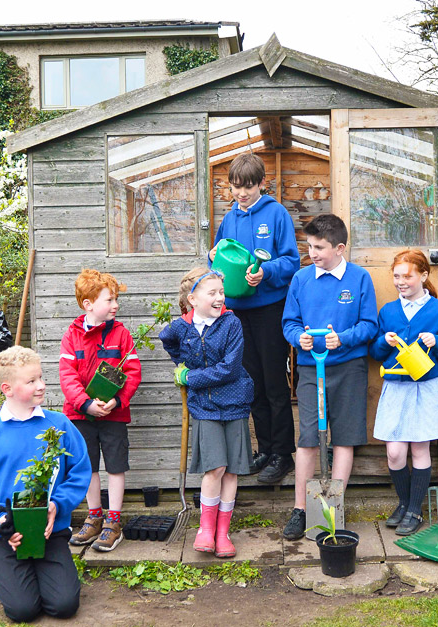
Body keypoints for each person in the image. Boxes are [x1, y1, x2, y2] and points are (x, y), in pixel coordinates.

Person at [0, 346, 91, 623]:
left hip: (49, 532)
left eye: (41, 378)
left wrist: (56, 504)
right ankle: (7, 570)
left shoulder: (59, 426)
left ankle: (44, 571)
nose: (41, 385)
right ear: (7, 388)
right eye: (31, 381)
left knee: (64, 605)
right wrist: (1, 520)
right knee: (22, 611)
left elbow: (79, 472)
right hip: (2, 536)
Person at [280, 213, 378, 540]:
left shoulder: (359, 279)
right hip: (311, 368)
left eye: (319, 247)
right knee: (308, 439)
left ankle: (332, 509)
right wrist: (299, 339)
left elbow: (369, 325)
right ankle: (300, 509)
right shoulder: (302, 279)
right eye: (309, 246)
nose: (313, 253)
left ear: (340, 248)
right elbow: (290, 322)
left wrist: (344, 338)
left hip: (349, 367)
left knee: (345, 437)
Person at [209, 153, 300, 484]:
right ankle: (264, 448)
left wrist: (267, 273)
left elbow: (292, 261)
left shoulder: (276, 214)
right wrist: (212, 259)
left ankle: (282, 453)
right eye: (235, 187)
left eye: (247, 187)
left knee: (275, 382)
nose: (241, 194)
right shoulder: (229, 218)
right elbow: (218, 258)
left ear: (262, 183)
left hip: (269, 308)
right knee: (251, 383)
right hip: (236, 313)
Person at [159, 267, 254, 558]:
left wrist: (190, 378)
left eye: (221, 293)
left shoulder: (231, 323)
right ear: (193, 299)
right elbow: (167, 339)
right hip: (204, 406)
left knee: (231, 470)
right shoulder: (180, 327)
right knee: (215, 467)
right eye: (212, 293)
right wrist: (180, 364)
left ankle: (223, 532)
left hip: (235, 401)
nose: (219, 298)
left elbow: (230, 368)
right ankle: (205, 529)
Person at [369, 250, 438, 536]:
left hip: (425, 388)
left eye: (407, 276)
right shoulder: (388, 312)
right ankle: (404, 502)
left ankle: (413, 510)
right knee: (395, 452)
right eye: (396, 276)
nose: (401, 282)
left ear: (423, 275)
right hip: (396, 388)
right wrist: (384, 341)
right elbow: (374, 352)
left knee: (420, 449)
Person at [60, 269, 141, 552]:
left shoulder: (122, 334)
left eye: (116, 299)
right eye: (110, 299)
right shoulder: (71, 336)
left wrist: (116, 401)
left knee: (116, 465)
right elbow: (67, 376)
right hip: (80, 415)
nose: (115, 305)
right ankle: (94, 517)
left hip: (114, 415)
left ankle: (113, 522)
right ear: (89, 304)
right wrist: (85, 404)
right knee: (88, 466)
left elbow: (132, 372)